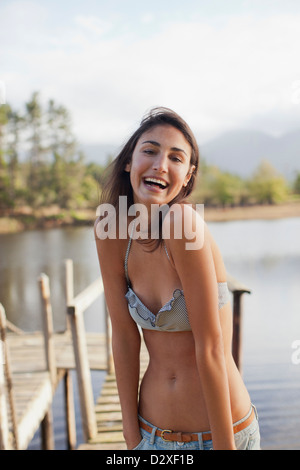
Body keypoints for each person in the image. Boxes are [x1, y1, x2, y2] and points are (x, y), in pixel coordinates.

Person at [94, 107, 260, 450]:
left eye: (176, 157)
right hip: (151, 435)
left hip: (220, 435)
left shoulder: (184, 223)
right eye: (150, 151)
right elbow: (124, 337)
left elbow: (212, 348)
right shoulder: (109, 232)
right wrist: (131, 435)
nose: (160, 165)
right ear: (129, 162)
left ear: (187, 176)